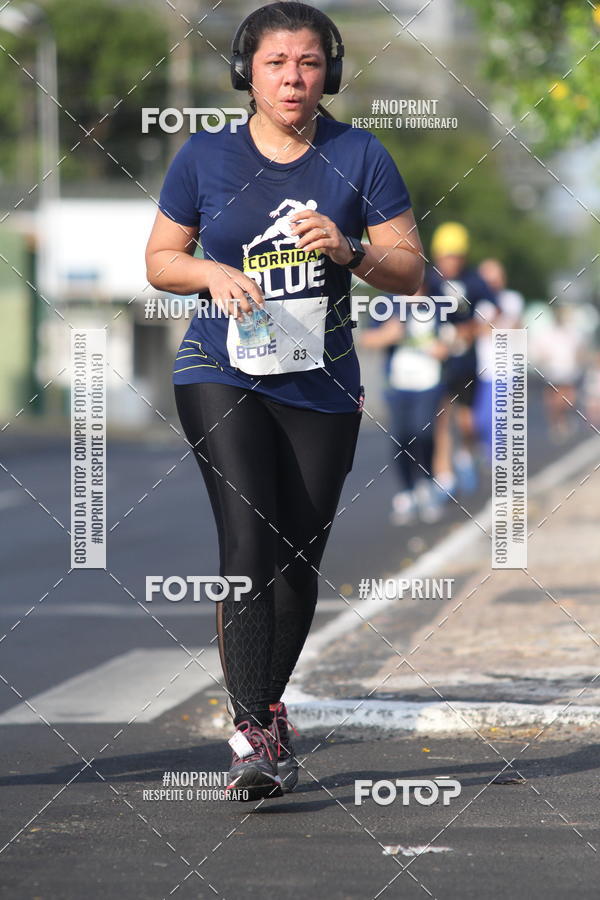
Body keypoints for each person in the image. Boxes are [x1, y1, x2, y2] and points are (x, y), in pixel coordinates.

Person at [145, 1, 423, 801]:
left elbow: (411, 271)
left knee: (299, 557)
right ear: (247, 73)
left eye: (307, 63)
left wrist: (352, 248)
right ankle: (252, 735)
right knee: (248, 541)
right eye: (275, 64)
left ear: (328, 71)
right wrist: (211, 273)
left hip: (322, 383)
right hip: (219, 370)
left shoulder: (359, 156)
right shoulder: (204, 158)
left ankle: (268, 705)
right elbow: (162, 259)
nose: (293, 78)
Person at [359, 293, 448, 525]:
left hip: (429, 382)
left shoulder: (438, 302)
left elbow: (458, 335)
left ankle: (427, 484)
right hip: (398, 384)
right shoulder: (385, 305)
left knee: (424, 432)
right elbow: (366, 339)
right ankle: (408, 491)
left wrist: (445, 347)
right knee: (401, 438)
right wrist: (387, 335)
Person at [425, 223, 496, 495]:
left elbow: (493, 316)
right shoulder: (430, 281)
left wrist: (466, 332)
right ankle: (444, 476)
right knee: (441, 418)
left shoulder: (474, 281)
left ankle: (467, 453)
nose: (449, 262)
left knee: (467, 420)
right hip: (438, 362)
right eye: (445, 256)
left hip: (465, 361)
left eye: (454, 256)